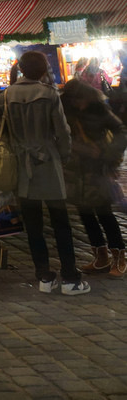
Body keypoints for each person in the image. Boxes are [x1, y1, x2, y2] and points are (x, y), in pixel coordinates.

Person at [0, 50, 90, 295]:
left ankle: (44, 276)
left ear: (21, 69)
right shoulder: (49, 95)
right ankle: (70, 277)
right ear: (44, 70)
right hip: (48, 163)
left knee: (33, 224)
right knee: (60, 222)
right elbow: (63, 132)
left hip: (20, 165)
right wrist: (63, 157)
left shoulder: (5, 97)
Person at [61, 78, 127, 277]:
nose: (77, 104)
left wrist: (108, 154)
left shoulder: (99, 110)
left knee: (104, 213)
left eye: (79, 99)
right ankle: (100, 258)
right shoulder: (65, 111)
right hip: (75, 171)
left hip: (98, 170)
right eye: (73, 100)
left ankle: (120, 257)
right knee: (85, 214)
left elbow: (120, 131)